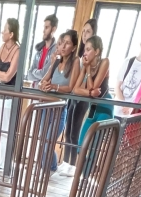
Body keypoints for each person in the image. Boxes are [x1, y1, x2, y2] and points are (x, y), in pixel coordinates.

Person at [39, 29, 80, 176]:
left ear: (73, 47)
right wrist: (44, 85)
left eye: (67, 43)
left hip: (60, 109)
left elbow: (71, 87)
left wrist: (54, 87)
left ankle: (50, 168)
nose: (63, 46)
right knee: (43, 141)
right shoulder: (57, 61)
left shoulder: (75, 62)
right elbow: (43, 80)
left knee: (48, 142)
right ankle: (47, 168)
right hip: (46, 107)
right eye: (61, 43)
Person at [59, 18, 97, 175]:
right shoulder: (79, 55)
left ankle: (72, 165)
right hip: (73, 96)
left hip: (82, 98)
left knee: (75, 132)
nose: (84, 34)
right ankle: (66, 161)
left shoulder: (92, 56)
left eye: (88, 32)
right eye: (83, 31)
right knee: (68, 130)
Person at [71, 35, 113, 150]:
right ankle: (81, 161)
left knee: (93, 146)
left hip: (105, 106)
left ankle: (90, 162)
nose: (85, 53)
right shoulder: (86, 65)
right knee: (81, 145)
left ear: (97, 51)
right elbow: (75, 89)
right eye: (85, 50)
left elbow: (93, 86)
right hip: (93, 107)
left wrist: (88, 70)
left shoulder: (105, 62)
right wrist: (90, 93)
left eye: (88, 50)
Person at [0, 18, 20, 173]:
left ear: (12, 34)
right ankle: (0, 160)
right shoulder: (2, 47)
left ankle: (6, 162)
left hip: (10, 97)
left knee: (6, 131)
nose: (2, 32)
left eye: (5, 30)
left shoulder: (18, 51)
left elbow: (8, 77)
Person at [115, 31, 141, 117]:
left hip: (133, 112)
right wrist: (124, 105)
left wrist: (132, 107)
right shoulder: (128, 62)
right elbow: (117, 87)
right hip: (117, 107)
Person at [27, 14, 58, 87]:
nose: (43, 31)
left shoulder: (56, 50)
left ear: (53, 29)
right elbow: (29, 75)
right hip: (33, 90)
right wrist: (36, 73)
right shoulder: (39, 49)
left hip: (44, 90)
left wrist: (34, 71)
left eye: (46, 27)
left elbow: (44, 74)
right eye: (44, 27)